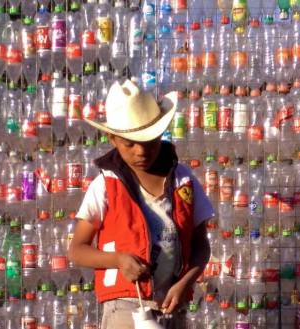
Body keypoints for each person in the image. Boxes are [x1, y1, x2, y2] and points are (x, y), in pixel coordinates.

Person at [68, 79, 214, 328]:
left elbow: (201, 247)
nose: (141, 151)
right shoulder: (106, 185)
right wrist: (118, 260)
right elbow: (77, 249)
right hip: (125, 308)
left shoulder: (184, 181)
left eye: (150, 142)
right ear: (112, 139)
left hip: (172, 306)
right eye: (130, 143)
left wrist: (185, 283)